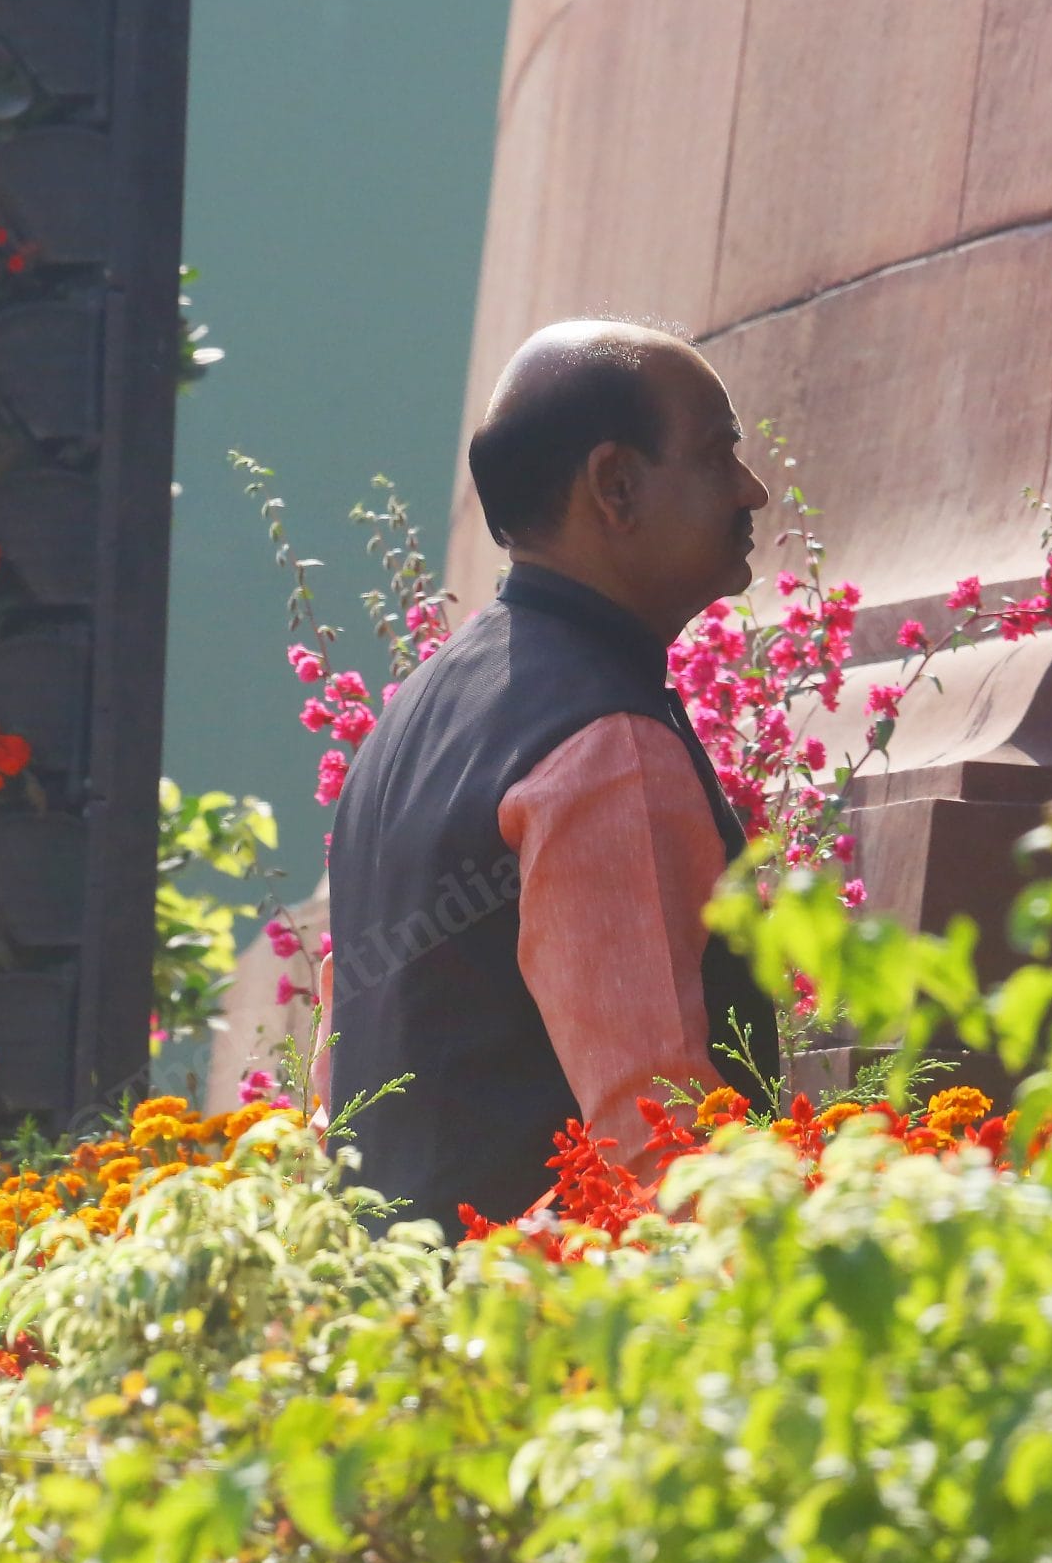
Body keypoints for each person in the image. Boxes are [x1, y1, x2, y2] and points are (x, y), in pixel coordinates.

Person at [308, 319, 780, 1233]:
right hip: (553, 1348)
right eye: (721, 453)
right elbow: (658, 1141)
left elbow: (340, 1100)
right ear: (615, 486)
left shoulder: (406, 722)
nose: (752, 488)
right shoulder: (603, 743)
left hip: (399, 1334)